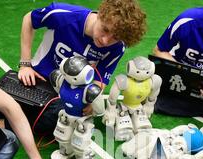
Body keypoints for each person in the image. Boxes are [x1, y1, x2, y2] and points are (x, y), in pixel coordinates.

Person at [18, 0, 147, 132]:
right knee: (7, 99)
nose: (105, 40)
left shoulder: (118, 47)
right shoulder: (63, 15)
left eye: (115, 37)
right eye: (105, 29)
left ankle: (15, 121)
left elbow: (101, 77)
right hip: (39, 78)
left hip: (72, 91)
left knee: (66, 120)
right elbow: (29, 19)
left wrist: (91, 102)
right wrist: (25, 64)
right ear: (101, 14)